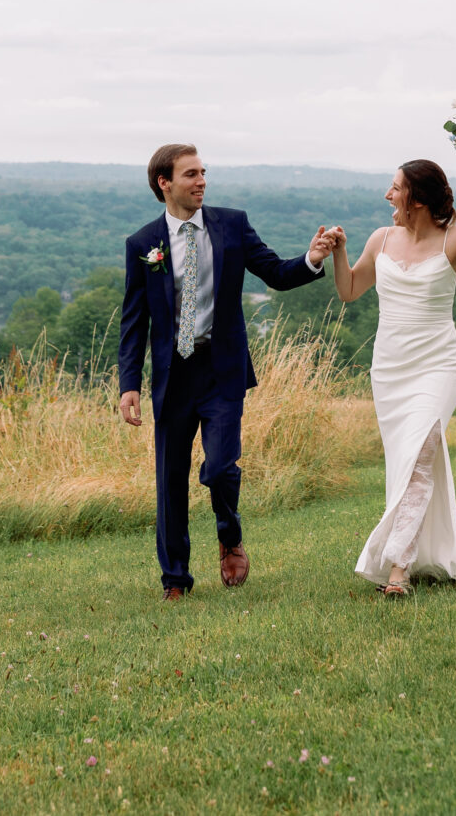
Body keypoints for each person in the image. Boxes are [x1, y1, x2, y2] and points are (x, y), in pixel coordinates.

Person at [118, 143, 335, 600]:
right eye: (190, 174)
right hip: (173, 377)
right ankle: (175, 578)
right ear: (165, 183)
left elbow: (275, 272)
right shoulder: (143, 245)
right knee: (170, 481)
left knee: (220, 468)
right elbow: (134, 320)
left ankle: (229, 535)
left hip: (222, 371)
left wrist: (313, 257)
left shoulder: (232, 224)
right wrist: (129, 384)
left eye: (203, 173)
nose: (201, 181)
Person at [325, 142, 456, 595]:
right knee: (405, 462)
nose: (388, 195)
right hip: (390, 369)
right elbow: (348, 291)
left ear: (417, 199)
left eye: (396, 188)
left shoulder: (455, 240)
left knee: (420, 459)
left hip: (438, 365)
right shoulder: (380, 239)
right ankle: (414, 553)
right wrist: (338, 252)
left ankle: (397, 571)